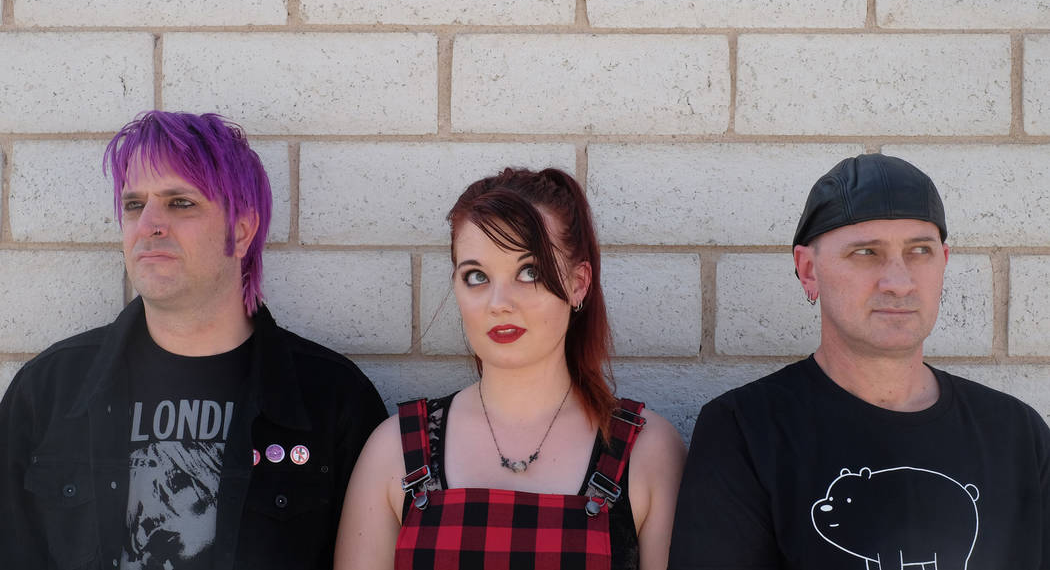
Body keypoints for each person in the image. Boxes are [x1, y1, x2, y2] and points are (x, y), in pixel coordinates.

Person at [0, 111, 387, 570]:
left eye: (180, 203)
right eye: (133, 205)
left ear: (240, 231)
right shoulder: (48, 392)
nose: (149, 224)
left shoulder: (333, 400)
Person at [668, 153, 1050, 569]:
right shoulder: (746, 430)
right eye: (866, 252)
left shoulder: (1017, 434)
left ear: (943, 261)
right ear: (808, 270)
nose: (899, 282)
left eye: (920, 250)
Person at [334, 167, 685, 570]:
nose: (499, 302)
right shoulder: (393, 451)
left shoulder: (648, 452)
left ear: (578, 283)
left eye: (529, 272)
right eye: (477, 276)